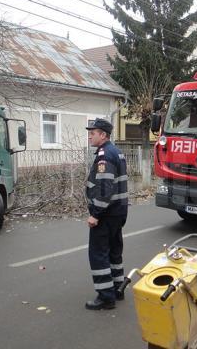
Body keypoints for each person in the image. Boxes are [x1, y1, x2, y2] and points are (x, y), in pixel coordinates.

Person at [84, 118, 128, 310]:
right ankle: (118, 288)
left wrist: (95, 213)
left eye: (92, 133)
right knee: (114, 251)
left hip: (106, 214)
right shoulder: (116, 152)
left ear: (103, 135)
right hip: (118, 212)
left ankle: (105, 296)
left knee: (98, 253)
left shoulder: (104, 155)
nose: (89, 136)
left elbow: (104, 188)